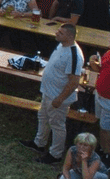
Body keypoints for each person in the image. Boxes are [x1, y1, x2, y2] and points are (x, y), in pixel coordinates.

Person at [32, 23, 85, 163]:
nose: (56, 33)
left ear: (70, 36)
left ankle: (55, 154)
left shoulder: (74, 55)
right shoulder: (61, 45)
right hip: (48, 92)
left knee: (57, 124)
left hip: (57, 96)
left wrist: (60, 99)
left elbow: (74, 81)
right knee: (42, 117)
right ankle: (39, 143)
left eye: (60, 32)